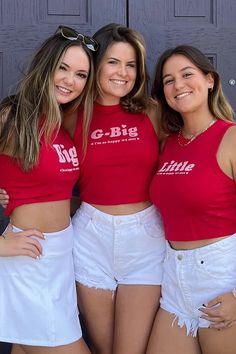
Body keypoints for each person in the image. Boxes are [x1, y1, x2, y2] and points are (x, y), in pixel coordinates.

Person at [0, 25, 98, 354]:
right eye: (63, 68)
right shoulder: (13, 116)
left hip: (60, 260)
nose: (71, 81)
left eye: (81, 74)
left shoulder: (62, 126)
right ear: (46, 66)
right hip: (30, 260)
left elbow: (53, 195)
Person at [71, 23, 166, 354]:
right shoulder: (73, 115)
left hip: (145, 239)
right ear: (96, 64)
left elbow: (186, 159)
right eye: (113, 62)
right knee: (104, 348)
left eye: (131, 65)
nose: (123, 73)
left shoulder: (152, 111)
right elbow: (46, 170)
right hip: (90, 237)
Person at [147, 45, 236, 354]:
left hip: (221, 279)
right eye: (168, 80)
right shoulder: (167, 144)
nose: (178, 85)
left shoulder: (231, 137)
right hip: (173, 280)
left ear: (210, 80)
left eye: (187, 74)